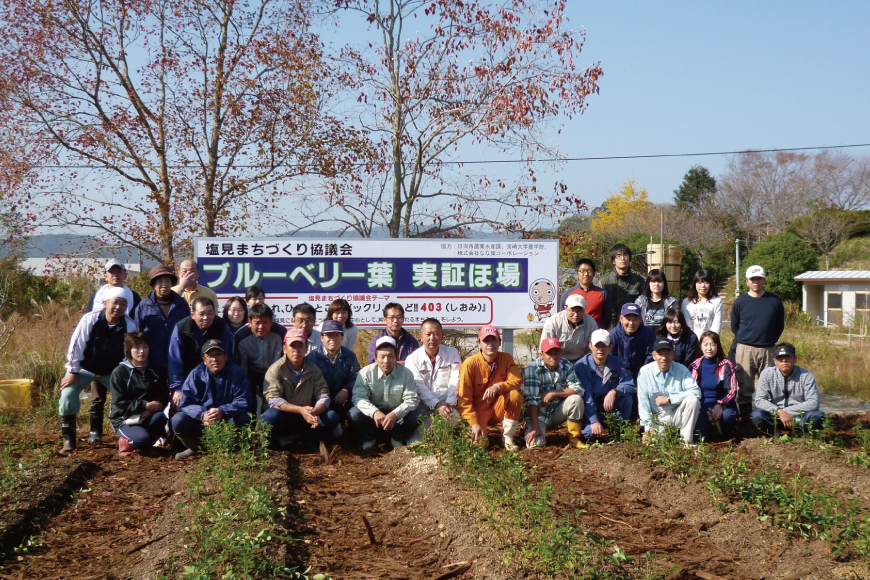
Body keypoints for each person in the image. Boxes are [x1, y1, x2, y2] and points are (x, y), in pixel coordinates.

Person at [58, 290, 138, 452]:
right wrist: (72, 370)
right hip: (84, 369)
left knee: (131, 395)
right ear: (105, 303)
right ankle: (68, 439)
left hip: (111, 371)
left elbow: (128, 355)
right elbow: (76, 345)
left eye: (123, 304)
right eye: (115, 302)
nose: (118, 307)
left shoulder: (129, 325)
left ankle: (130, 436)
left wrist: (123, 377)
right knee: (67, 394)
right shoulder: (90, 319)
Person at [171, 339, 251, 459]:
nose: (215, 359)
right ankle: (196, 447)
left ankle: (233, 448)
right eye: (210, 356)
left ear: (226, 356)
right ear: (204, 360)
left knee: (244, 417)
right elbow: (186, 403)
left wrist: (222, 411)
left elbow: (244, 400)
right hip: (203, 422)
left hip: (227, 419)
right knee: (178, 420)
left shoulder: (237, 372)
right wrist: (203, 414)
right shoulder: (196, 374)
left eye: (218, 354)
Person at [262, 329, 340, 450]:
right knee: (269, 417)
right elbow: (274, 399)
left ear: (306, 348)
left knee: (332, 416)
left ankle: (313, 440)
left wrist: (314, 412)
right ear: (284, 349)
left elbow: (323, 395)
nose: (296, 351)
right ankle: (274, 447)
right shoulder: (275, 369)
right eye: (293, 346)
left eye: (300, 346)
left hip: (308, 416)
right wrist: (300, 410)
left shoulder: (313, 369)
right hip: (285, 416)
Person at [730, 265, 786, 419]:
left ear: (764, 280)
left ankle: (765, 419)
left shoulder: (774, 300)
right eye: (753, 279)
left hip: (768, 349)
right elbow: (734, 325)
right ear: (747, 281)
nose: (756, 282)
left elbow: (779, 325)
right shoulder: (740, 302)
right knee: (745, 386)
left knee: (768, 387)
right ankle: (746, 419)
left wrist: (770, 340)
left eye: (759, 279)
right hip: (745, 349)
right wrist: (747, 339)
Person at [457, 326, 524, 450]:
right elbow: (464, 400)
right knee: (479, 446)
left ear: (499, 342)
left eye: (494, 340)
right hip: (478, 411)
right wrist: (473, 423)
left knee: (514, 395)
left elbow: (517, 382)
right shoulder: (469, 364)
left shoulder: (507, 358)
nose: (490, 344)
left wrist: (498, 386)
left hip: (498, 406)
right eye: (486, 341)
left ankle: (508, 438)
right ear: (479, 344)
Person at [350, 336, 422, 450]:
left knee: (416, 415)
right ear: (375, 358)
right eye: (382, 356)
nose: (386, 361)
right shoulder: (365, 373)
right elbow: (358, 397)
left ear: (396, 357)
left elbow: (412, 399)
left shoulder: (406, 373)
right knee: (354, 413)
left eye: (390, 356)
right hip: (374, 418)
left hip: (397, 418)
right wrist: (374, 412)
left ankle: (397, 439)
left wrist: (395, 414)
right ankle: (370, 439)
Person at [167, 297, 235, 408]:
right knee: (179, 414)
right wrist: (178, 387)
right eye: (201, 314)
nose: (206, 318)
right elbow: (174, 360)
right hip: (187, 376)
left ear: (215, 313)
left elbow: (228, 357)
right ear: (193, 315)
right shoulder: (181, 327)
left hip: (215, 376)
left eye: (209, 313)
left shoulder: (221, 326)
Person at [109, 333, 168, 457]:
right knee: (143, 439)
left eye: (145, 347)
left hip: (149, 414)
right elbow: (121, 403)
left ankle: (146, 443)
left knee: (160, 419)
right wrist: (145, 405)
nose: (141, 351)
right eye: (137, 348)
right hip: (125, 418)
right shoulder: (119, 372)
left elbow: (163, 394)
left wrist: (155, 407)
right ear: (129, 350)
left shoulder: (155, 368)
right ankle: (126, 443)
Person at [133, 265, 191, 388]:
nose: (164, 285)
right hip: (152, 360)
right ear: (154, 284)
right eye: (160, 281)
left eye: (167, 281)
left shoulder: (181, 304)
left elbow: (189, 331)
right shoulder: (143, 306)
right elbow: (137, 334)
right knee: (155, 396)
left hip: (177, 358)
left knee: (177, 395)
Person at [522, 337, 586, 449]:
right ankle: (532, 428)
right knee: (535, 445)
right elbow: (532, 400)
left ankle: (574, 438)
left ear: (561, 352)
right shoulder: (532, 369)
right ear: (541, 355)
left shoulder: (566, 365)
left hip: (557, 410)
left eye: (557, 352)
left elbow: (578, 388)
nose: (553, 356)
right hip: (539, 414)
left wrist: (553, 393)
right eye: (549, 353)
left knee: (576, 399)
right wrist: (535, 427)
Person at [574, 329, 636, 442]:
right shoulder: (581, 366)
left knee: (627, 397)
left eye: (604, 345)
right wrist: (594, 420)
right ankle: (595, 424)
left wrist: (614, 391)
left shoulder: (616, 362)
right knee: (589, 435)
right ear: (590, 346)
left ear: (610, 347)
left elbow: (629, 384)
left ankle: (620, 429)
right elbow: (586, 396)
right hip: (591, 410)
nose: (600, 349)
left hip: (610, 408)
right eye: (597, 345)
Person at [637, 338, 701, 445]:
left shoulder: (681, 369)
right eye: (660, 354)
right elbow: (643, 403)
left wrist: (670, 399)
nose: (664, 358)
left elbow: (696, 391)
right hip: (657, 418)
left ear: (673, 355)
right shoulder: (645, 372)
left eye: (668, 354)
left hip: (677, 413)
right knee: (652, 444)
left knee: (693, 401)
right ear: (654, 355)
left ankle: (686, 441)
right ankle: (662, 437)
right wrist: (648, 428)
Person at [751, 343, 826, 433]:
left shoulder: (806, 375)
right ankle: (773, 432)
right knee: (756, 416)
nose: (784, 361)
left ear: (795, 359)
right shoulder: (767, 374)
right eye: (780, 358)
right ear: (775, 361)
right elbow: (759, 400)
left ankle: (801, 432)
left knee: (817, 416)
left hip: (800, 416)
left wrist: (786, 412)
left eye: (788, 357)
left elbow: (813, 403)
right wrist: (779, 412)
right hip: (776, 416)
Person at [307, 319, 361, 427]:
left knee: (358, 410)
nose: (333, 339)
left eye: (337, 335)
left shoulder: (349, 356)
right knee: (331, 421)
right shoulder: (312, 357)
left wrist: (346, 389)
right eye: (329, 335)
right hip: (320, 403)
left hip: (342, 401)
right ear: (322, 337)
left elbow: (356, 377)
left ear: (342, 337)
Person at [405, 318, 461, 422]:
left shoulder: (452, 353)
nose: (432, 338)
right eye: (428, 334)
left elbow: (456, 379)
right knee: (418, 438)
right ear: (421, 337)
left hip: (447, 406)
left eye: (436, 334)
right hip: (421, 409)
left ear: (442, 336)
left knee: (453, 420)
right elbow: (418, 386)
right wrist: (436, 404)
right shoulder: (412, 359)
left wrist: (450, 403)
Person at [234, 303, 284, 414]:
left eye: (265, 322)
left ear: (271, 321)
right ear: (249, 322)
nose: (261, 327)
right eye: (257, 323)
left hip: (272, 370)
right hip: (250, 371)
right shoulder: (241, 336)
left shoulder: (280, 333)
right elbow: (242, 364)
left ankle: (267, 425)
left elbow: (277, 362)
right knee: (248, 404)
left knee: (271, 404)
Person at [688, 331, 738, 441]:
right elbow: (689, 390)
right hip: (701, 405)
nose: (709, 348)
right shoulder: (694, 366)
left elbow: (732, 390)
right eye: (706, 344)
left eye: (713, 344)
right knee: (701, 439)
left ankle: (728, 435)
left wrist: (720, 404)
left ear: (718, 346)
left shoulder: (726, 365)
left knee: (728, 416)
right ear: (700, 346)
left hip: (722, 404)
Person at [541, 294, 599, 363]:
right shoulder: (553, 322)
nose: (576, 314)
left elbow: (594, 348)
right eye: (572, 310)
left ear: (584, 309)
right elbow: (544, 348)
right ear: (565, 308)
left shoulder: (591, 323)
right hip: (557, 360)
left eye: (579, 310)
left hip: (582, 361)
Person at [599, 244, 645, 329]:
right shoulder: (604, 281)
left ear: (630, 259)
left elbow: (644, 307)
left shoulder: (639, 282)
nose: (623, 258)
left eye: (626, 255)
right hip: (609, 328)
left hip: (631, 327)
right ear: (613, 261)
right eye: (618, 256)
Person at [559, 258, 612, 329]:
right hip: (573, 334)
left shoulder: (602, 294)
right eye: (582, 271)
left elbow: (607, 318)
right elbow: (563, 316)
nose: (586, 274)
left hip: (595, 334)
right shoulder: (568, 294)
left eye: (589, 271)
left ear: (594, 273)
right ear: (577, 273)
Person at [609, 303, 656, 381]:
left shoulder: (648, 334)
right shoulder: (613, 335)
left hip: (643, 375)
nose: (631, 323)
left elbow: (650, 357)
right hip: (619, 376)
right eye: (628, 319)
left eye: (635, 319)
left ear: (640, 319)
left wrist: (642, 375)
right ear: (621, 319)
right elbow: (611, 359)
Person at [681, 269, 723, 338]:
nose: (703, 286)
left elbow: (716, 326)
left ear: (710, 284)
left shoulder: (717, 301)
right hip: (692, 342)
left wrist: (707, 342)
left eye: (706, 282)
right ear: (695, 284)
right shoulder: (687, 302)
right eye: (699, 282)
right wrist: (694, 341)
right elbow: (687, 326)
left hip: (710, 343)